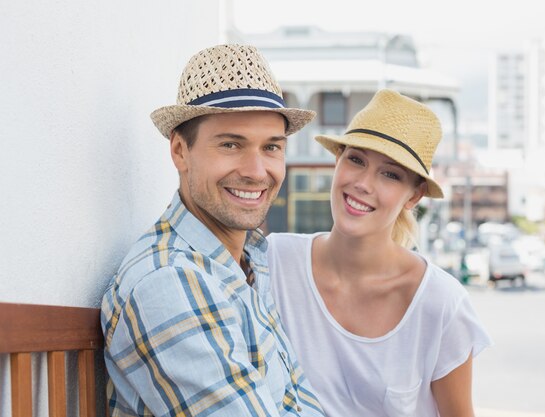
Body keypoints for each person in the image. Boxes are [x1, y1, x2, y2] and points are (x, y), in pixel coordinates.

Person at [101, 44, 325, 417]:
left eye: (271, 147)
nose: (256, 171)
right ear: (180, 151)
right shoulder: (169, 281)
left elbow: (300, 402)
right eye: (231, 144)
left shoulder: (244, 260)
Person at [267, 89, 493, 417]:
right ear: (337, 161)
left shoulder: (440, 304)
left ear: (413, 196)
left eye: (390, 174)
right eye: (356, 160)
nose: (363, 184)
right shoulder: (274, 262)